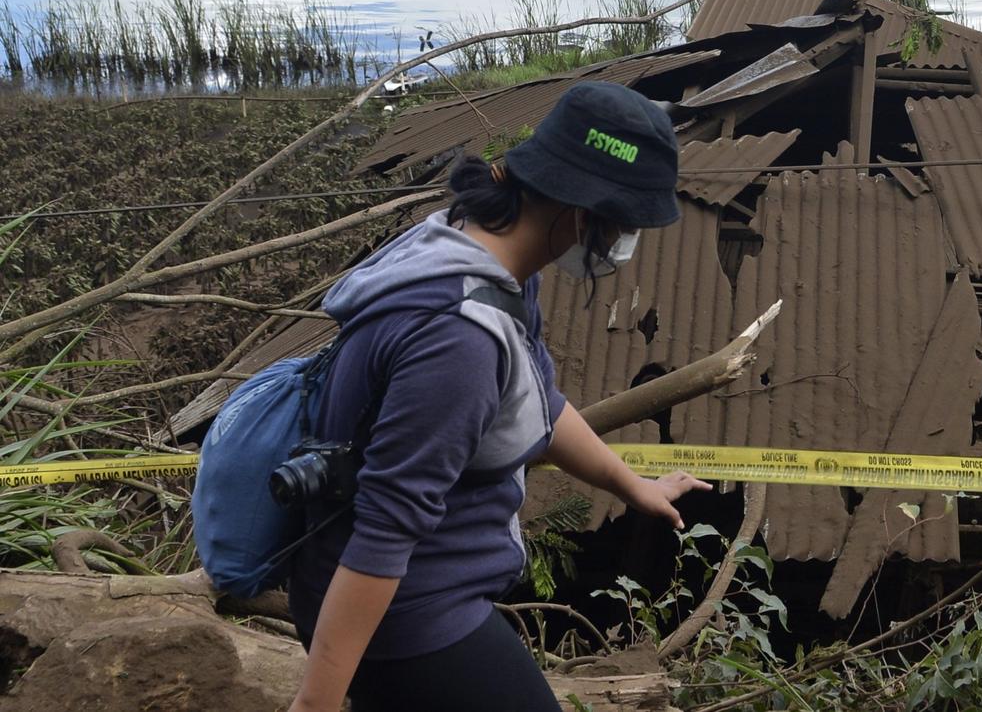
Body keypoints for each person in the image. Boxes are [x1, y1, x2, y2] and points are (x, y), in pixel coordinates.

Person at [287, 81, 710, 712]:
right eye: (625, 223)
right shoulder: (460, 340)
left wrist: (629, 484)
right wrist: (315, 702)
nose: (624, 244)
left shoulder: (479, 250)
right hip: (404, 610)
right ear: (582, 213)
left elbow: (539, 400)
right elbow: (386, 528)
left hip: (394, 588)